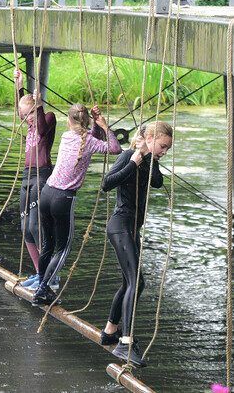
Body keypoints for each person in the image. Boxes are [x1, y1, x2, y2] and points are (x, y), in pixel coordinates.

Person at [32, 104, 122, 306]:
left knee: (48, 244)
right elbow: (115, 148)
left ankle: (41, 284)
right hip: (63, 198)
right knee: (63, 248)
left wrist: (95, 124)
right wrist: (105, 126)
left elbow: (89, 136)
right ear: (87, 122)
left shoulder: (67, 136)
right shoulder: (89, 140)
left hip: (46, 192)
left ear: (69, 120)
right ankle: (43, 289)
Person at [99, 122, 172, 367]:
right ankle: (125, 343)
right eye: (162, 146)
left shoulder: (150, 160)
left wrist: (151, 156)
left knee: (129, 283)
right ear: (150, 137)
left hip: (131, 229)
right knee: (136, 281)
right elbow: (106, 184)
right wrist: (135, 161)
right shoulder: (129, 156)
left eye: (167, 148)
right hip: (120, 226)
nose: (164, 151)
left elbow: (157, 182)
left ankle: (110, 330)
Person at [13, 70, 57, 290]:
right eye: (25, 115)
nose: (28, 118)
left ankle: (51, 275)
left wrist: (37, 104)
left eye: (30, 114)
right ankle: (40, 272)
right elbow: (21, 109)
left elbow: (40, 126)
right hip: (26, 176)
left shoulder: (47, 119)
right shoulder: (28, 123)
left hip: (42, 175)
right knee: (25, 227)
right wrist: (18, 86)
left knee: (35, 224)